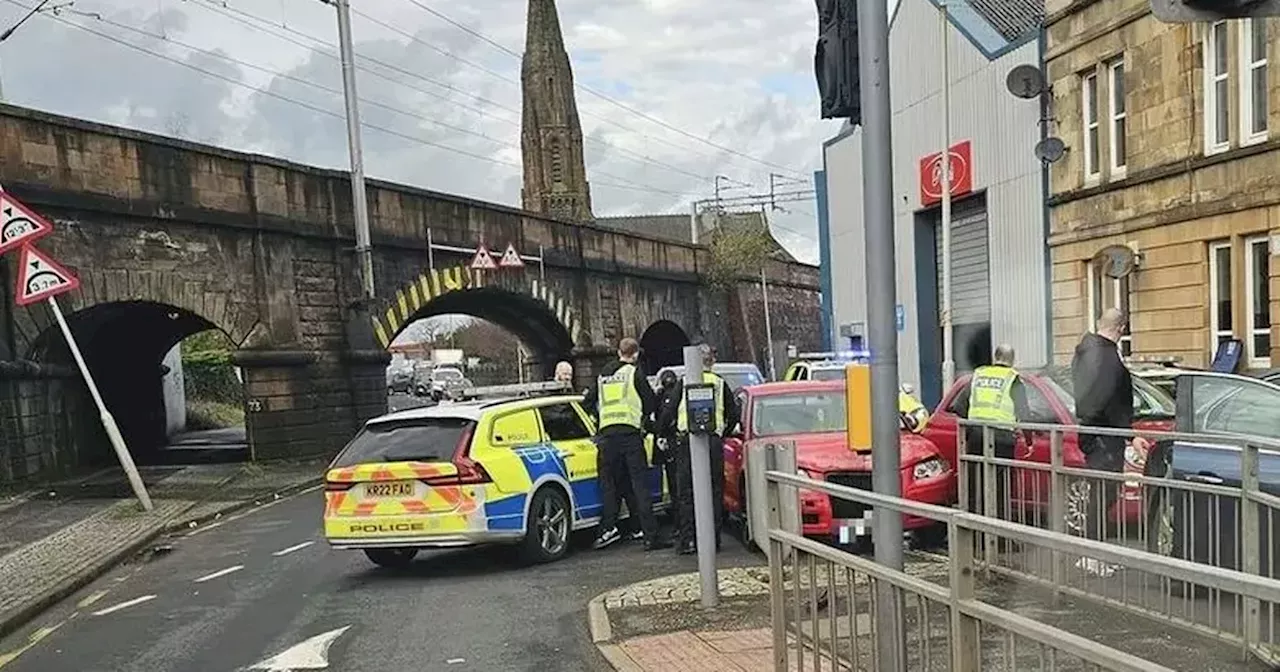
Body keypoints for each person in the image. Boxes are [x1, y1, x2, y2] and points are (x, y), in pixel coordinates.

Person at [582, 338, 669, 551]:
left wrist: (599, 417)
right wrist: (643, 419)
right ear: (636, 354)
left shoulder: (603, 375)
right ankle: (650, 535)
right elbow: (649, 402)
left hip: (606, 438)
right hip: (630, 435)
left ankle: (607, 529)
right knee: (639, 486)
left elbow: (587, 402)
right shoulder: (634, 372)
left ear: (618, 352)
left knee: (609, 486)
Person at [1071, 308, 1145, 544]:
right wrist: (1129, 434)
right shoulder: (1107, 357)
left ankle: (1093, 551)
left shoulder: (1084, 351)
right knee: (1105, 494)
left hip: (1092, 431)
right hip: (1106, 435)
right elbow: (1110, 400)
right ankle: (1094, 553)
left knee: (1100, 493)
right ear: (1121, 329)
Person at [659, 344, 740, 555]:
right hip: (712, 441)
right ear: (711, 362)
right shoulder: (720, 384)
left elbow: (668, 412)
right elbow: (734, 414)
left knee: (686, 492)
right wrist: (723, 432)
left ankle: (687, 540)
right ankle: (713, 540)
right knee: (714, 491)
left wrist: (664, 430)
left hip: (687, 441)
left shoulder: (684, 382)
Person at [959, 343, 1031, 519]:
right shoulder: (1012, 379)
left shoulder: (978, 375)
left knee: (975, 485)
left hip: (976, 437)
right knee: (1001, 487)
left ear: (995, 357)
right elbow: (1024, 413)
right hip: (1002, 439)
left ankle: (977, 533)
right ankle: (997, 534)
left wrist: (970, 427)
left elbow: (959, 406)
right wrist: (1029, 441)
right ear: (1012, 360)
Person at [653, 370, 683, 535]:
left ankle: (680, 525)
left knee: (675, 487)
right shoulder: (679, 394)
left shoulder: (663, 397)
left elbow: (660, 419)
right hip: (682, 443)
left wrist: (657, 432)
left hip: (671, 444)